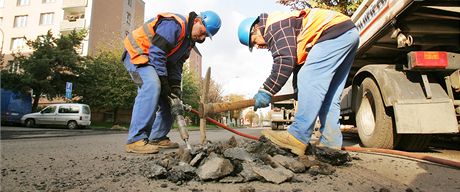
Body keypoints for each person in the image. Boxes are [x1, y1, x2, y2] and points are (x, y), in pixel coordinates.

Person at [238, 8, 359, 156]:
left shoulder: (274, 26)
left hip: (332, 33)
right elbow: (297, 66)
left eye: (254, 42)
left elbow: (285, 61)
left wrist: (266, 90)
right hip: (347, 33)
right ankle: (331, 144)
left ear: (256, 29)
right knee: (329, 96)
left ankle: (298, 136)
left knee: (309, 78)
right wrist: (298, 93)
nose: (258, 46)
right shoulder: (285, 28)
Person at [122, 11, 222, 154]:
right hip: (138, 53)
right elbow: (157, 52)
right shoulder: (175, 24)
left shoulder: (188, 44)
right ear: (197, 21)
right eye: (202, 32)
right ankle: (135, 139)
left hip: (154, 60)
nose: (202, 37)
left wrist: (174, 87)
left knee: (173, 99)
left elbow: (176, 65)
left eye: (206, 36)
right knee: (152, 85)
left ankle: (157, 137)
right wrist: (163, 80)